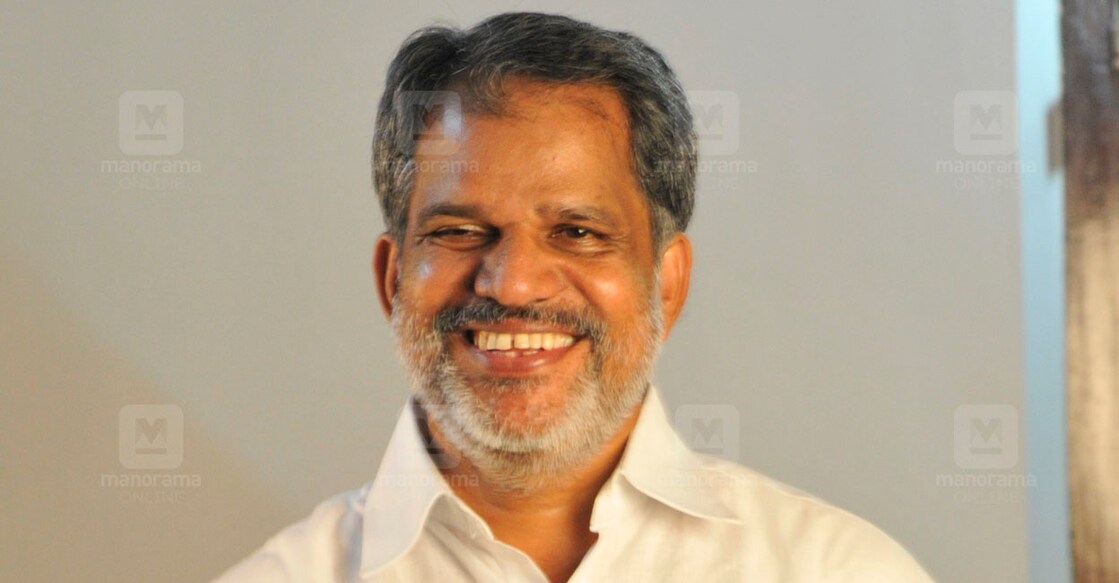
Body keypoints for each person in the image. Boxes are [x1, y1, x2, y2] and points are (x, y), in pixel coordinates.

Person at [216, 12, 937, 583]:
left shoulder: (837, 571)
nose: (513, 282)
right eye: (461, 229)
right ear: (391, 279)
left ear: (666, 282)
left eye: (576, 230)